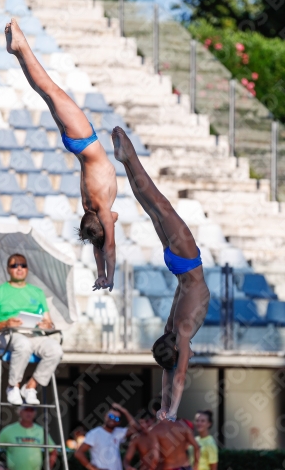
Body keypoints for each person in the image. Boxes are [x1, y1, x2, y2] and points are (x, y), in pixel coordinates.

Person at [5, 18, 117, 292]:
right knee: (44, 92)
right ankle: (18, 52)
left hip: (85, 140)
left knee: (50, 88)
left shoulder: (101, 207)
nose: (115, 219)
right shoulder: (89, 206)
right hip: (76, 144)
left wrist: (110, 277)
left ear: (103, 223)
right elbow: (99, 247)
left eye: (110, 224)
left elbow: (109, 246)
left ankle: (22, 45)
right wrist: (99, 273)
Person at [112, 127, 210, 422]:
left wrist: (173, 410)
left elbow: (176, 377)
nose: (189, 361)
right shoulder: (170, 332)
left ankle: (129, 155)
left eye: (185, 361)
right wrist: (163, 407)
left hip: (188, 261)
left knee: (159, 203)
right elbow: (167, 375)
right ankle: (126, 162)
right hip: (176, 265)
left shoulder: (181, 335)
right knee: (150, 207)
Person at [0, 253, 62, 405]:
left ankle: (31, 386)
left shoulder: (37, 293)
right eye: (14, 265)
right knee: (23, 344)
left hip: (34, 333)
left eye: (23, 265)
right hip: (6, 334)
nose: (19, 268)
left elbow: (50, 323)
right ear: (8, 269)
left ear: (27, 269)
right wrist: (6, 323)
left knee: (55, 349)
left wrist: (47, 325)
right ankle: (13, 386)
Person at [0, 404, 58, 470]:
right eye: (26, 410)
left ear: (35, 413)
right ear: (20, 412)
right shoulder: (9, 430)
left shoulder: (41, 431)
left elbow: (53, 451)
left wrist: (48, 468)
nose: (29, 413)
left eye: (31, 410)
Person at [75, 403, 137, 470]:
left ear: (119, 422)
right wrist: (93, 469)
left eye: (117, 418)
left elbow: (136, 428)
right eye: (111, 416)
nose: (113, 419)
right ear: (105, 416)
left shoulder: (119, 432)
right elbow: (78, 453)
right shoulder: (95, 433)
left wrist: (125, 411)